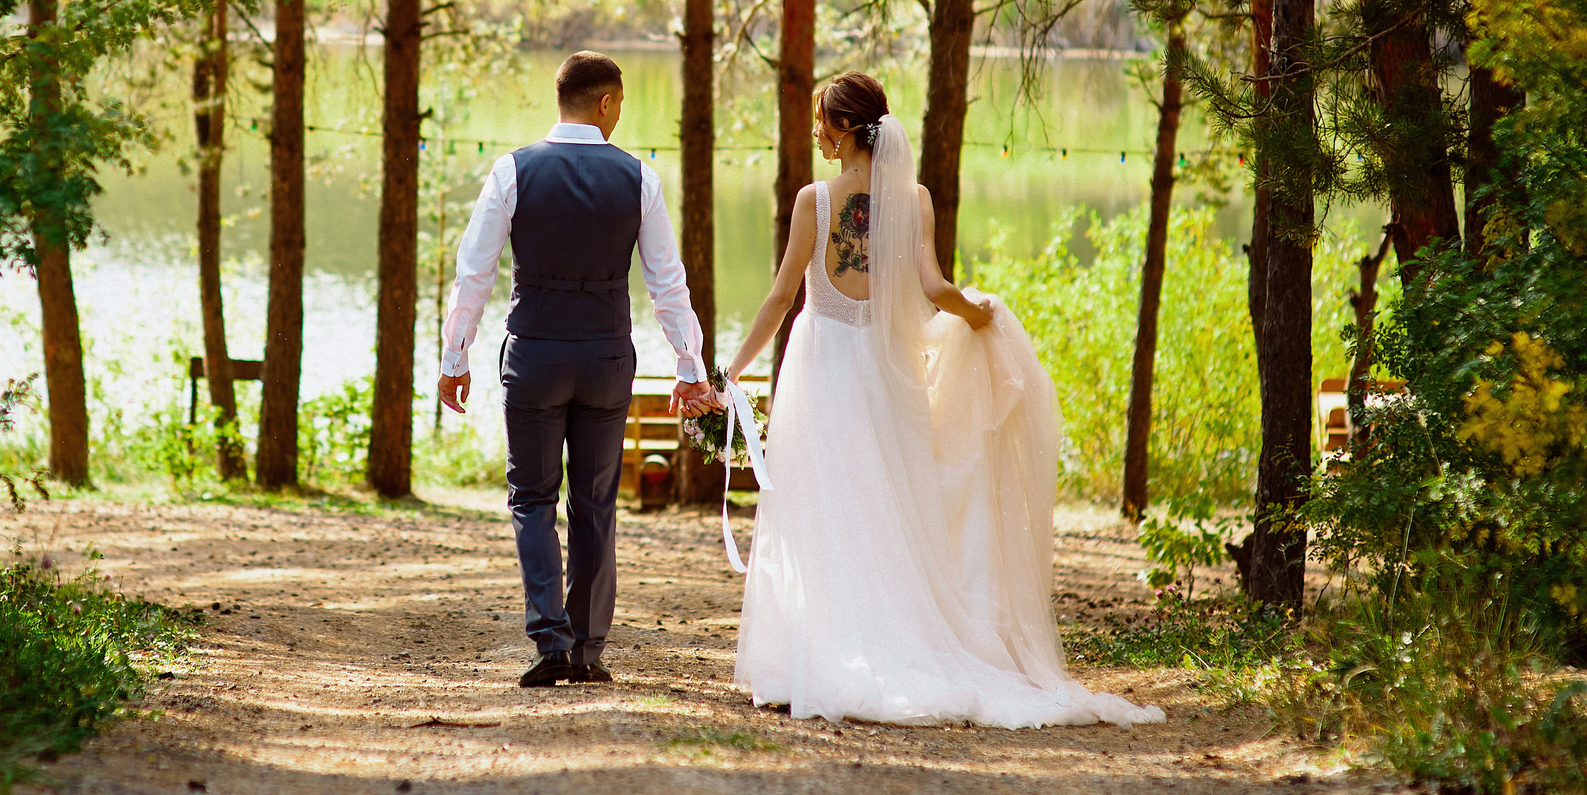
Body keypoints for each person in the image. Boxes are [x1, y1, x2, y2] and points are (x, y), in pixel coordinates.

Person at [718, 72, 1164, 727]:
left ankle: (818, 650)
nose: (817, 132)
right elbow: (932, 286)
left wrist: (733, 367)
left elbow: (783, 298)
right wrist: (977, 312)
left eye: (821, 120)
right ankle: (885, 637)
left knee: (824, 504)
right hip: (887, 367)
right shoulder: (915, 200)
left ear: (844, 129)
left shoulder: (815, 200)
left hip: (821, 367)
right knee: (888, 503)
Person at [437, 52, 717, 687]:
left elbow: (473, 273)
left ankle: (551, 640)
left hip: (534, 355)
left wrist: (456, 359)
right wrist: (690, 367)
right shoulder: (638, 179)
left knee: (532, 498)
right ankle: (588, 648)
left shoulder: (512, 171)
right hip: (605, 359)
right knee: (594, 503)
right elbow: (667, 286)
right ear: (606, 104)